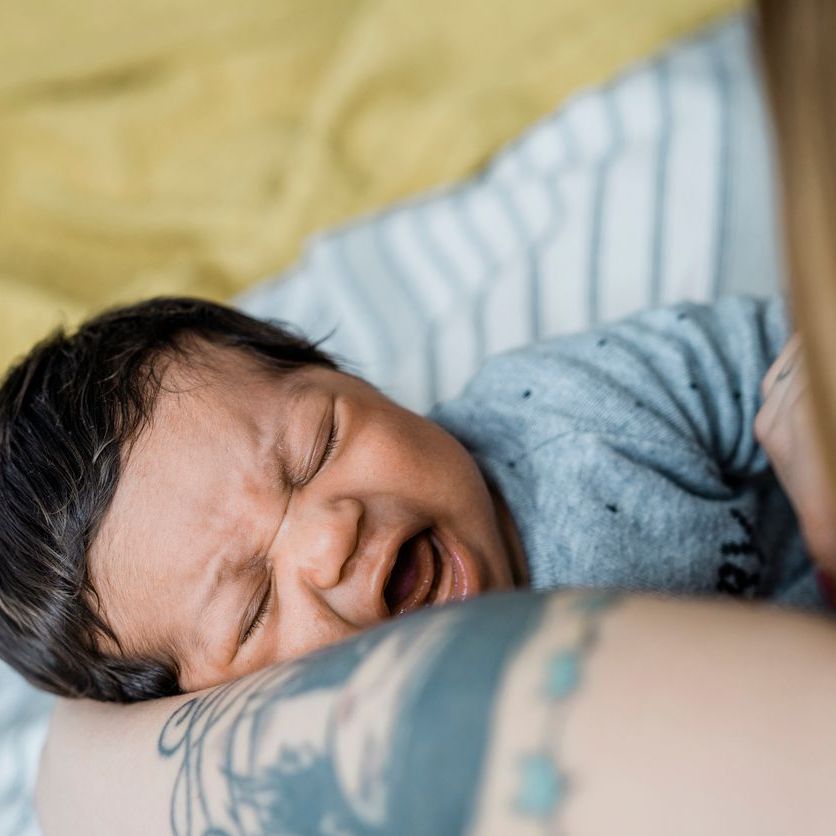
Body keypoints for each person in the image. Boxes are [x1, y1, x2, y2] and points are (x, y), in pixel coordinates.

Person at [0, 289, 831, 703]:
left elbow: (789, 355)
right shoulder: (374, 776)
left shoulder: (577, 411)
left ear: (363, 384)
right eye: (251, 609)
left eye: (317, 445)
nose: (329, 536)